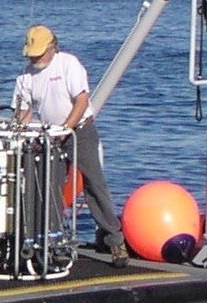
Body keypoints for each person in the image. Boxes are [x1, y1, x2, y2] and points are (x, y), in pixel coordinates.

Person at [13, 24, 128, 267]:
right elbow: (23, 111)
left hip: (79, 130)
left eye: (40, 53)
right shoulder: (25, 76)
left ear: (52, 48)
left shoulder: (69, 64)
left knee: (93, 182)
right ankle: (51, 239)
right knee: (48, 185)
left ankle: (114, 239)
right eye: (32, 54)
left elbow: (81, 100)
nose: (36, 58)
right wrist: (22, 131)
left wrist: (66, 128)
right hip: (48, 135)